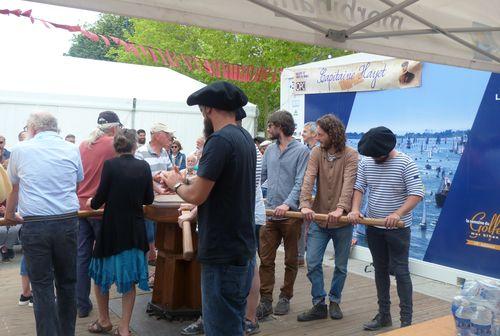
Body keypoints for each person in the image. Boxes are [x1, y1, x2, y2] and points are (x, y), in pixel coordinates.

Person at [162, 81, 256, 336]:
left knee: (220, 329)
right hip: (241, 248)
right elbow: (223, 185)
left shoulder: (219, 141)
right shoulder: (244, 138)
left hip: (222, 251)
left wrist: (176, 183)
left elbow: (196, 195)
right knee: (234, 324)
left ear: (208, 110)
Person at [5, 112, 83, 336]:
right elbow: (76, 182)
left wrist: (10, 214)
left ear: (33, 128)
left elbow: (14, 187)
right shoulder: (71, 148)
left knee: (41, 286)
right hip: (67, 221)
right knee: (67, 283)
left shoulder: (21, 149)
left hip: (36, 224)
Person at [347, 126, 424, 331]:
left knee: (400, 271)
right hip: (373, 225)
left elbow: (416, 194)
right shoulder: (366, 162)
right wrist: (355, 209)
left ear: (387, 150)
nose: (372, 158)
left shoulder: (405, 163)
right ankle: (384, 316)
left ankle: (406, 322)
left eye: (375, 155)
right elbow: (359, 187)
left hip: (398, 228)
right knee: (379, 270)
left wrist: (397, 214)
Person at [87, 128, 153, 336]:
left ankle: (104, 320)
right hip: (134, 229)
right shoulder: (143, 166)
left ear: (116, 146)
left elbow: (99, 199)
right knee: (130, 279)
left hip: (111, 229)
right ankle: (124, 328)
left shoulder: (110, 165)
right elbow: (148, 199)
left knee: (100, 277)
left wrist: (91, 202)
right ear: (135, 145)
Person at [296, 114, 358, 322]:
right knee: (312, 262)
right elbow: (308, 178)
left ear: (333, 133)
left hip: (342, 222)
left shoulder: (351, 155)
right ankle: (319, 303)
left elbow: (349, 184)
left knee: (341, 266)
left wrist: (341, 209)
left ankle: (335, 300)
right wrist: (305, 204)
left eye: (321, 134)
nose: (318, 138)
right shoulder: (316, 152)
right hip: (319, 219)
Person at [257, 110, 309, 318]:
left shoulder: (302, 151)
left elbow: (301, 182)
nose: (268, 129)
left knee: (291, 259)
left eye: (271, 126)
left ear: (281, 126)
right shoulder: (269, 151)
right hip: (269, 213)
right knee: (266, 259)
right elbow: (260, 178)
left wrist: (288, 204)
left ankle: (285, 297)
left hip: (292, 216)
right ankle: (265, 300)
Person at [76, 111, 121, 318]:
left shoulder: (83, 144)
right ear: (114, 128)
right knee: (104, 257)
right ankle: (105, 313)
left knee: (81, 257)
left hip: (81, 207)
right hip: (102, 209)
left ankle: (81, 305)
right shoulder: (114, 144)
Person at [135, 122, 174, 266]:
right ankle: (144, 274)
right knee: (148, 238)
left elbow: (169, 173)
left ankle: (155, 276)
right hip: (148, 205)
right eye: (167, 134)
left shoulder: (164, 153)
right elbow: (138, 177)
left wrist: (164, 177)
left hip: (163, 204)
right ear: (158, 136)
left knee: (159, 239)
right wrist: (154, 178)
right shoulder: (140, 152)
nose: (170, 137)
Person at [298, 121, 319, 266]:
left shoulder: (317, 151)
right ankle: (302, 257)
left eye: (305, 131)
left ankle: (312, 258)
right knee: (305, 227)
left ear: (313, 134)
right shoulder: (305, 150)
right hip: (307, 195)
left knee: (312, 229)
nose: (302, 134)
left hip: (315, 196)